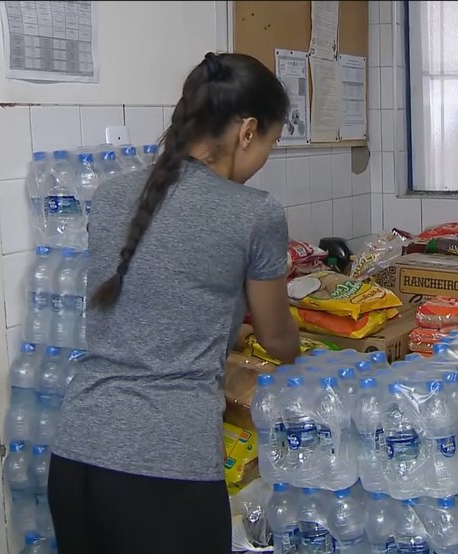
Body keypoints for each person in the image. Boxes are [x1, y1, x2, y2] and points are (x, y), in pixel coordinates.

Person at [48, 52, 300, 554]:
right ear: (247, 131)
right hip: (163, 471)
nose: (265, 158)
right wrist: (296, 352)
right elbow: (279, 339)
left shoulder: (113, 195)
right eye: (270, 142)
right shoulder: (255, 212)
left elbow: (158, 298)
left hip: (76, 455)